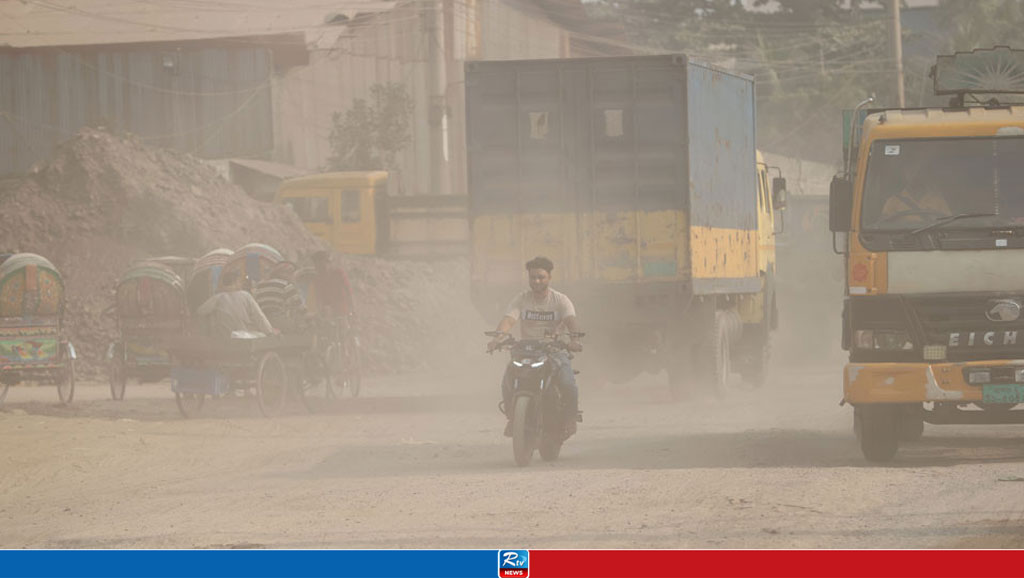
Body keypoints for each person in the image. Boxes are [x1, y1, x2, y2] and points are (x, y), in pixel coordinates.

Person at [487, 256, 582, 438]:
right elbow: (509, 319)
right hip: (526, 350)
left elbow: (571, 321)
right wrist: (497, 338)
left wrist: (575, 340)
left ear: (549, 278)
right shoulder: (521, 299)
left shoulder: (560, 300)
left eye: (541, 277)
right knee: (507, 381)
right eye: (533, 277)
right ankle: (513, 419)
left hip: (554, 351)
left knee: (567, 383)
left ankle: (570, 418)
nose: (536, 281)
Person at [195, 269, 276, 338]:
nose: (241, 284)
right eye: (240, 282)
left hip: (224, 337)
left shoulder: (217, 297)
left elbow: (200, 312)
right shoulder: (246, 295)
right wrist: (269, 332)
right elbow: (259, 316)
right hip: (244, 337)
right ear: (235, 282)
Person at [880, 164, 952, 224]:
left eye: (919, 172)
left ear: (925, 175)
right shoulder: (893, 201)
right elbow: (883, 226)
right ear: (906, 175)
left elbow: (948, 223)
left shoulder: (937, 200)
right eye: (911, 172)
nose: (915, 176)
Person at [252, 261, 306, 333]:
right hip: (280, 322)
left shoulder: (260, 285)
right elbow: (299, 306)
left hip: (262, 322)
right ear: (287, 274)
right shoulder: (286, 285)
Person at [309, 250, 355, 319]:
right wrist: (320, 312)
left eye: (321, 264)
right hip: (328, 313)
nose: (317, 267)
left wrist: (352, 310)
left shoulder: (338, 273)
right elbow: (318, 298)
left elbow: (349, 292)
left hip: (342, 311)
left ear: (328, 263)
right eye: (316, 264)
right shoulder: (317, 279)